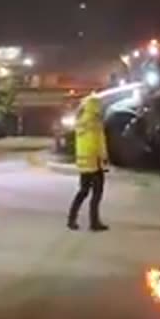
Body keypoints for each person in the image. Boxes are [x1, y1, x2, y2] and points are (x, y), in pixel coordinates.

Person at [67, 93, 109, 231]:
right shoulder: (94, 121)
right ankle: (94, 222)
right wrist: (103, 157)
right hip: (94, 161)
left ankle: (71, 219)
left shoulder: (81, 120)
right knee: (97, 193)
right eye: (99, 105)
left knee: (83, 191)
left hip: (84, 162)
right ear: (94, 106)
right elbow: (97, 142)